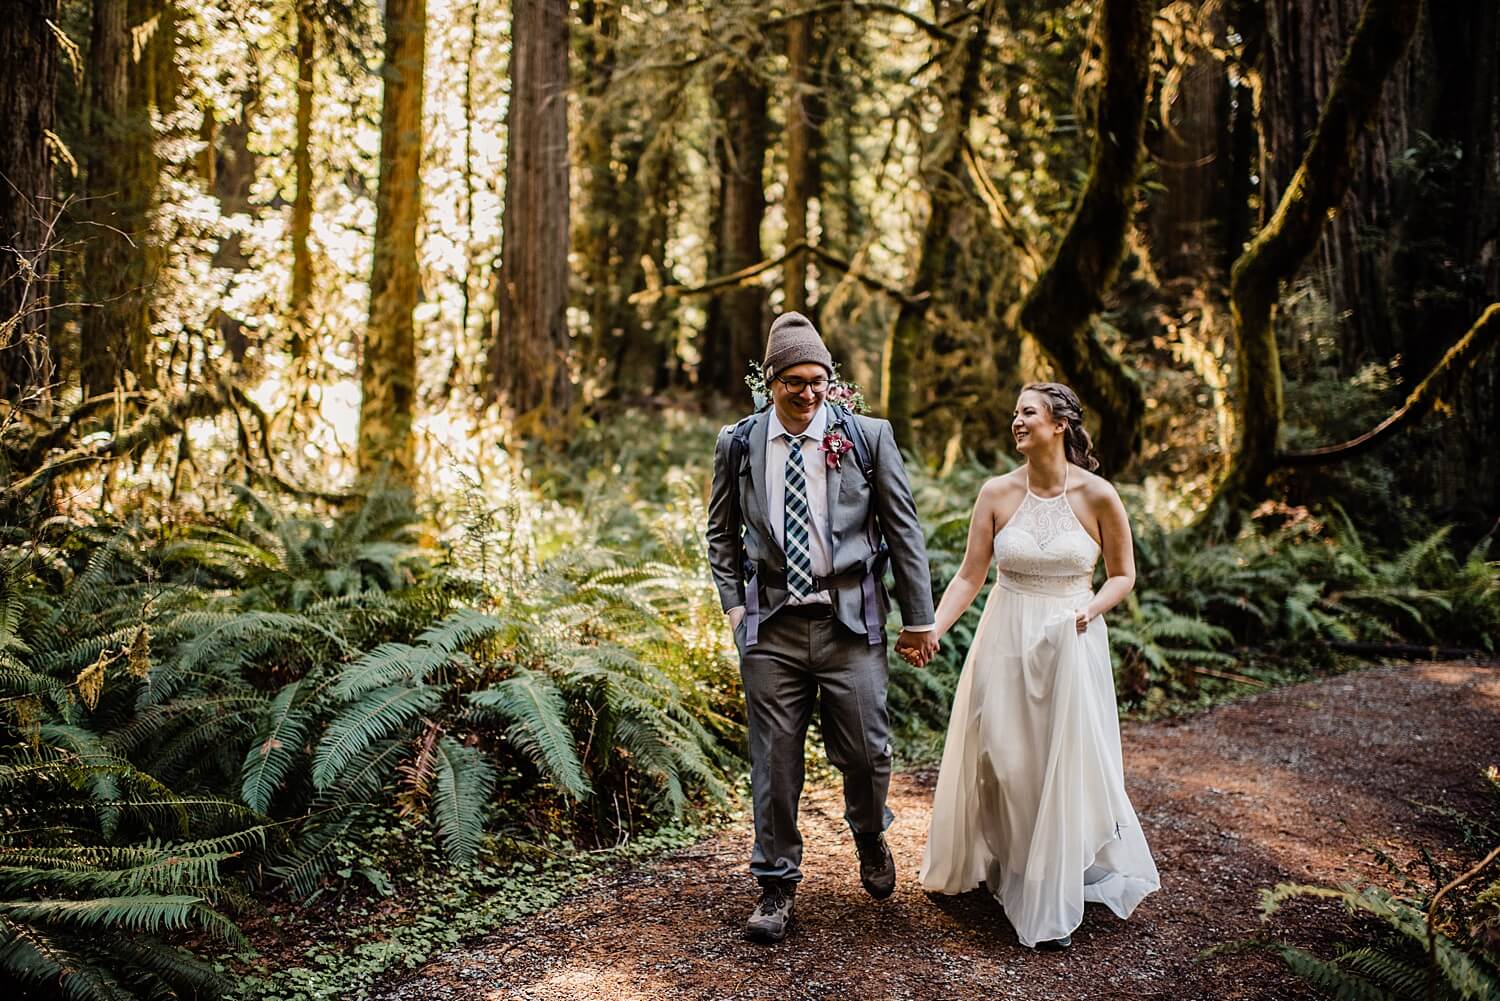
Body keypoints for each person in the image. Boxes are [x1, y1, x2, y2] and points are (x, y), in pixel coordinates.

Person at [706, 311, 938, 944]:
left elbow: (904, 529)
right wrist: (734, 606)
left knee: (868, 750)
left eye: (818, 382)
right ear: (771, 380)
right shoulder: (740, 444)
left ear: (830, 381)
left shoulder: (867, 437)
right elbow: (721, 533)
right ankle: (776, 883)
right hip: (772, 628)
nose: (808, 395)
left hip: (851, 624)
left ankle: (869, 833)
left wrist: (919, 617)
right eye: (794, 383)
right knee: (774, 763)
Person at [914, 382, 1159, 949]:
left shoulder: (1099, 496)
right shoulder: (997, 492)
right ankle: (1015, 864)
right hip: (1006, 633)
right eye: (1015, 413)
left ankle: (1046, 884)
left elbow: (1122, 574)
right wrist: (934, 629)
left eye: (1027, 412)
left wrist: (1088, 610)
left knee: (1061, 762)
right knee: (1002, 756)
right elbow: (969, 576)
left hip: (1070, 642)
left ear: (1060, 425)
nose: (1016, 421)